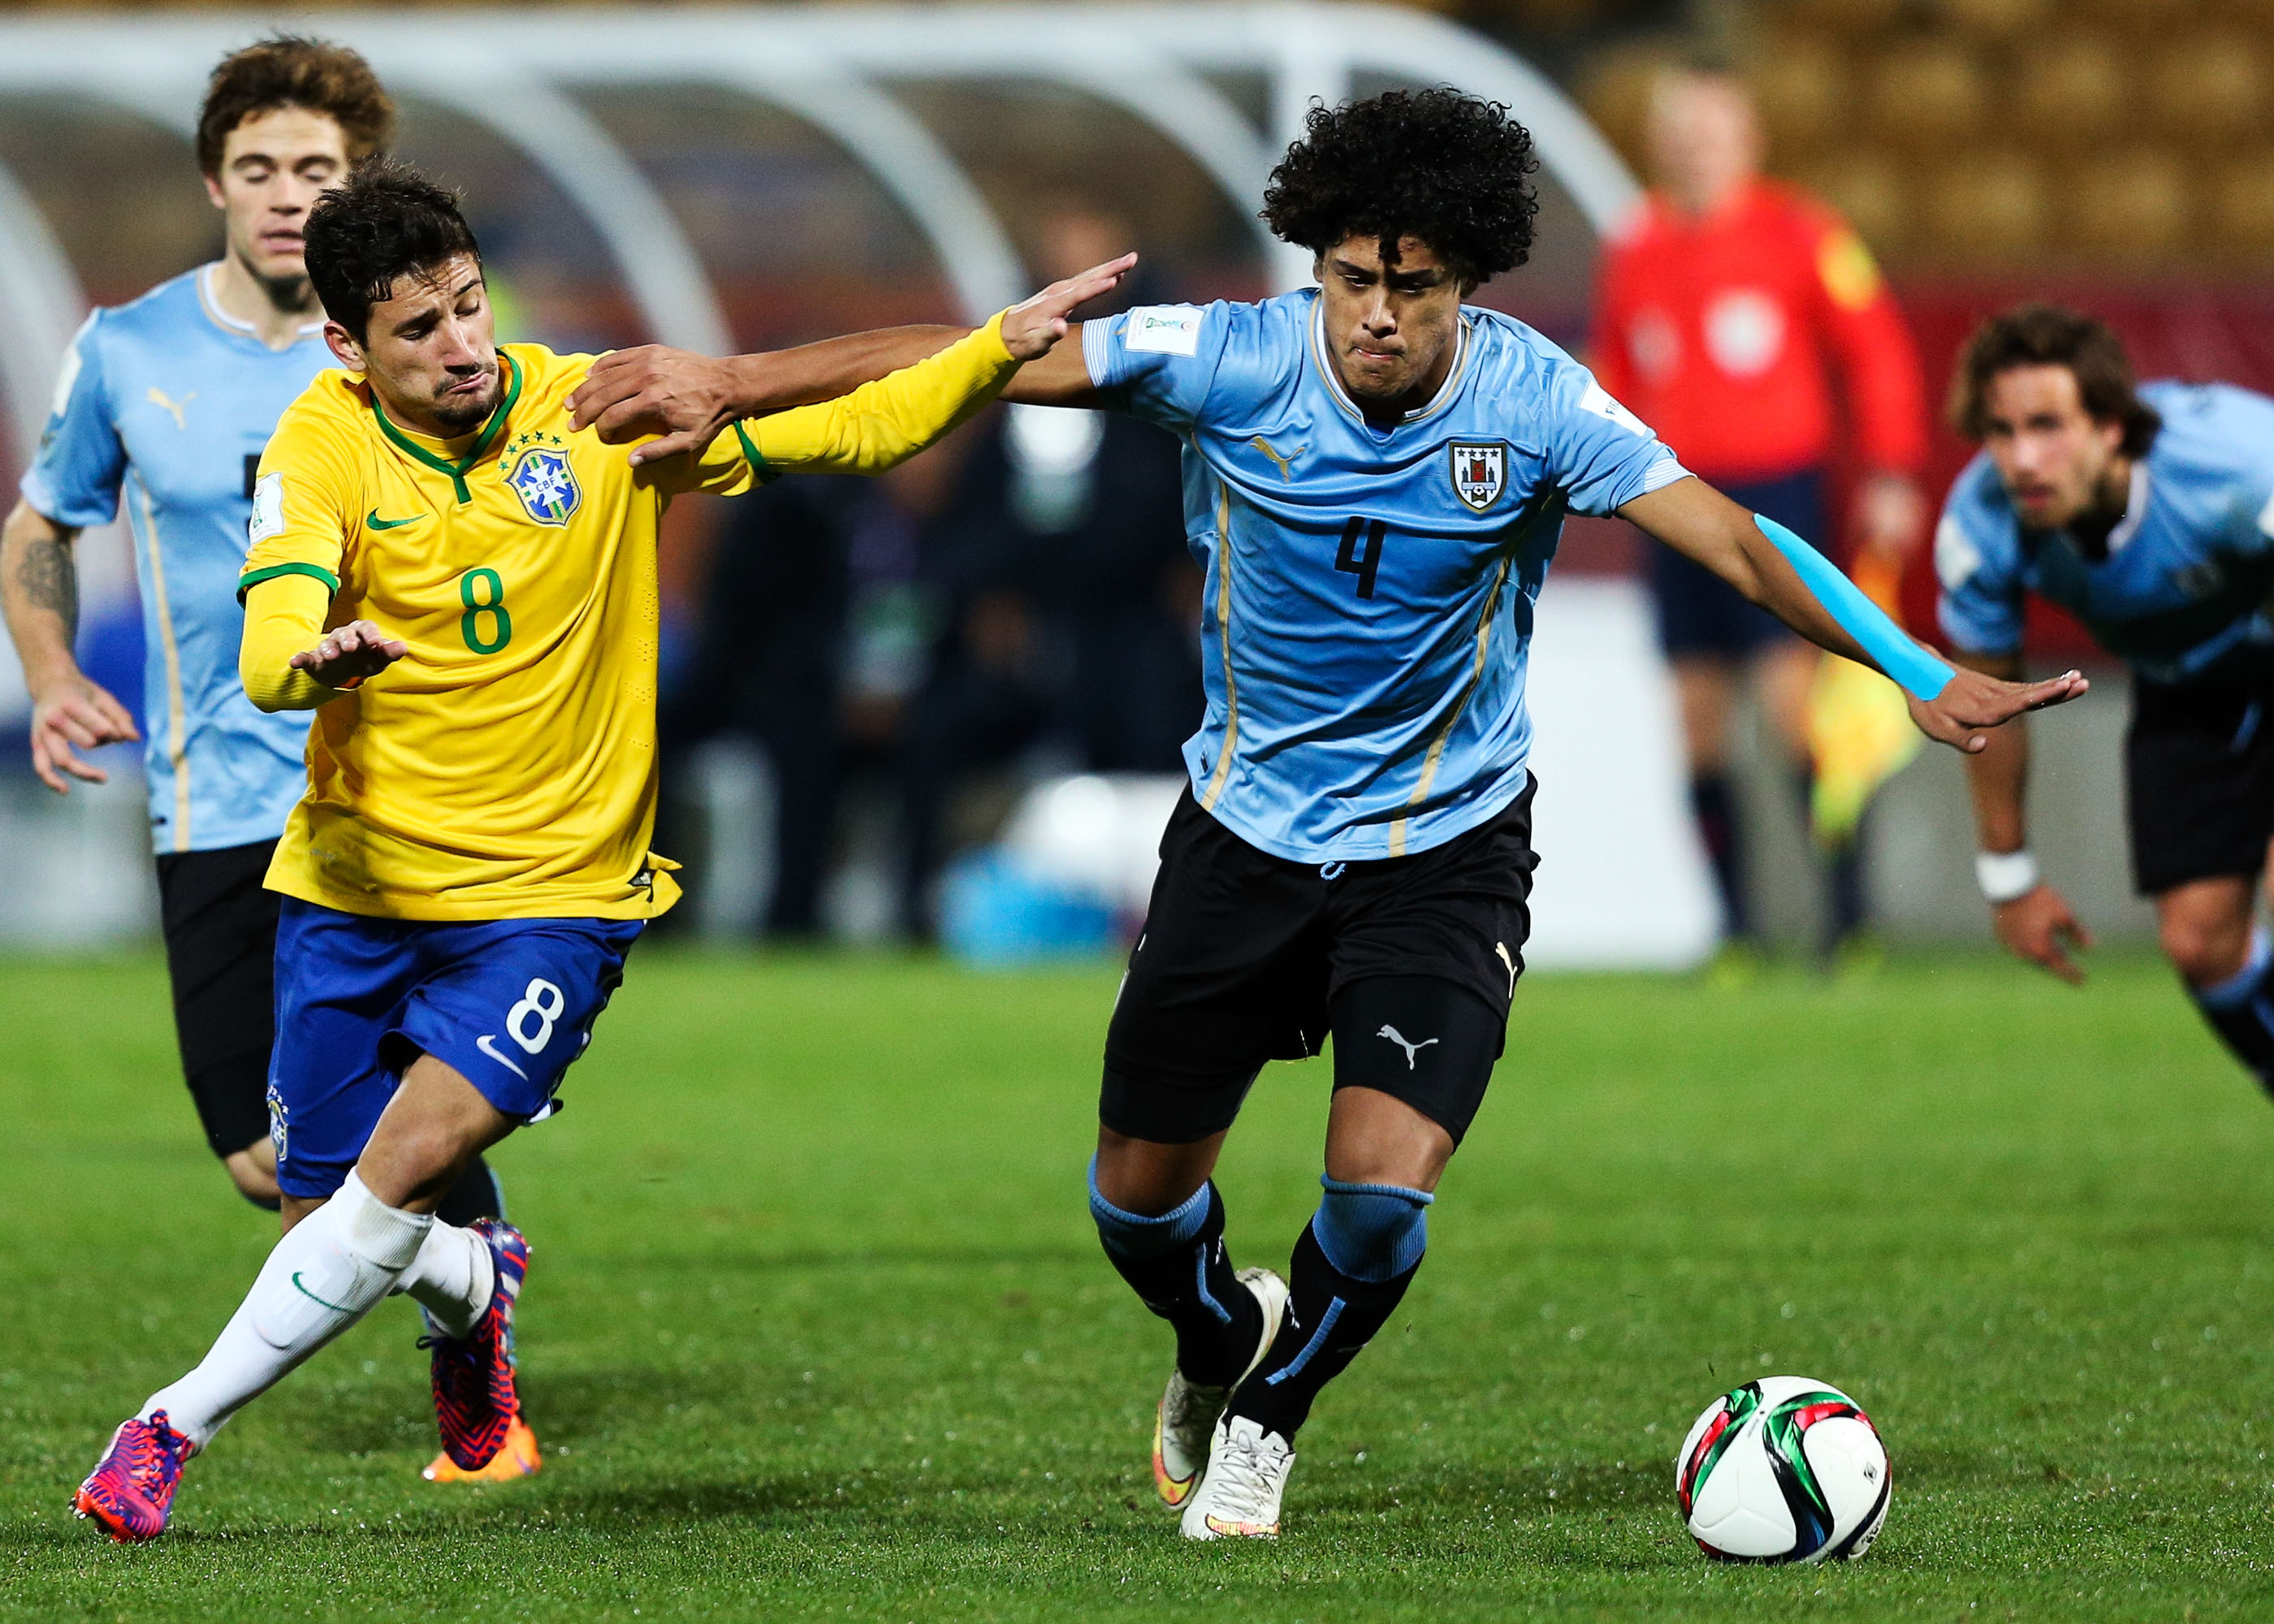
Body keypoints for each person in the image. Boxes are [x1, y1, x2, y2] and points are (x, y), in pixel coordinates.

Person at [565, 89, 2082, 1539]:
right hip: (1243, 833)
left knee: (1377, 1199)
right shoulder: (1228, 356)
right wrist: (734, 380)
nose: (1376, 313)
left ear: (1467, 284)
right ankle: (1221, 1333)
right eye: (1353, 278)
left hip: (1444, 846)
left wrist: (1911, 667)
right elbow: (966, 363)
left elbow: (1740, 543)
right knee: (1135, 1208)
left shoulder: (1537, 399)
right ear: (1315, 269)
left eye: (1413, 287)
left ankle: (1269, 1421)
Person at [67, 159, 1127, 1542]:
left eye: (468, 305)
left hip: (553, 898)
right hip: (356, 888)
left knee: (398, 1172)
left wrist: (994, 349)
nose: (461, 345)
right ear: (346, 346)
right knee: (331, 1228)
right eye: (418, 328)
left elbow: (853, 436)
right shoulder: (319, 446)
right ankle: (473, 1289)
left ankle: (165, 1431)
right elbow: (268, 637)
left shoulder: (594, 411)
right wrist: (308, 659)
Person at [0, 36, 531, 1483]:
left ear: (360, 186)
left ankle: (479, 1383)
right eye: (259, 167)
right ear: (214, 184)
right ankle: (473, 1279)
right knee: (270, 1163)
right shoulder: (127, 350)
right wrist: (51, 673)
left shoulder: (423, 344)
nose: (288, 194)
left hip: (407, 793)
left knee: (407, 1120)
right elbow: (44, 521)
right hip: (218, 800)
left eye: (317, 170)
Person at [1589, 64, 1929, 965]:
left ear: (1749, 139)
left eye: (1713, 129)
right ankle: (1735, 930)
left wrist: (1892, 469)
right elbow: (1615, 371)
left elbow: (1876, 353)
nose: (1696, 147)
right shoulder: (1635, 245)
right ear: (1658, 144)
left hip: (1777, 497)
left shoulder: (1802, 233)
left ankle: (1847, 919)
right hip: (1668, 498)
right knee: (1696, 717)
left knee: (1792, 709)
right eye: (1681, 131)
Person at [1936, 304, 2274, 1092]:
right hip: (2188, 689)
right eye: (2001, 431)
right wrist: (2009, 878)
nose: (2023, 459)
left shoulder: (2240, 465)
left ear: (2112, 427)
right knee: (2199, 944)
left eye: (2048, 426)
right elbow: (1989, 700)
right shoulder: (1981, 526)